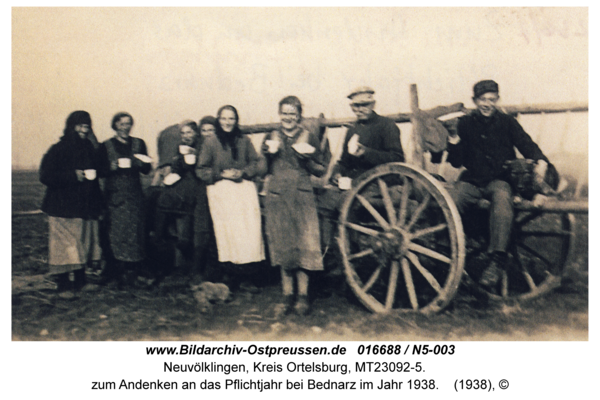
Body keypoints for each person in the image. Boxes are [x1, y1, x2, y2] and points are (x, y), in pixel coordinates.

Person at [446, 79, 553, 291]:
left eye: (492, 100)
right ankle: (454, 249)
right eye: (483, 100)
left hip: (499, 180)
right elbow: (457, 162)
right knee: (455, 198)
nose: (487, 104)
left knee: (503, 197)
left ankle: (497, 258)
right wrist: (453, 137)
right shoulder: (465, 124)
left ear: (498, 100)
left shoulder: (507, 122)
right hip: (472, 180)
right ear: (474, 101)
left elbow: (526, 144)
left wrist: (541, 161)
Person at [261, 96, 327, 315]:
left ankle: (303, 296)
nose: (288, 117)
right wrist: (268, 155)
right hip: (278, 194)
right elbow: (262, 169)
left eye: (292, 113)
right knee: (283, 243)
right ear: (279, 114)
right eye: (285, 113)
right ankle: (287, 295)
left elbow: (320, 169)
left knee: (305, 243)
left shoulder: (309, 136)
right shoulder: (270, 136)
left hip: (301, 194)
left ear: (299, 115)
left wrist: (307, 158)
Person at [39, 110, 104, 298]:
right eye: (80, 125)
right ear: (71, 126)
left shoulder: (89, 148)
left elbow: (98, 173)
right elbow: (45, 176)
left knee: (81, 244)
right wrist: (72, 176)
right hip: (61, 206)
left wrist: (98, 204)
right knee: (64, 246)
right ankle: (63, 286)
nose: (84, 129)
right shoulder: (57, 149)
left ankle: (81, 282)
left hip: (83, 206)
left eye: (87, 126)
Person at [196, 105, 266, 274]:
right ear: (218, 120)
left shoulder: (244, 140)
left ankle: (246, 275)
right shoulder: (211, 141)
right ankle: (229, 275)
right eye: (224, 118)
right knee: (227, 234)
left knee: (248, 232)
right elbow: (201, 169)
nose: (227, 122)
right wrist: (221, 175)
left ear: (236, 120)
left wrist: (242, 172)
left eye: (231, 119)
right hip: (221, 191)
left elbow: (255, 162)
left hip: (243, 190)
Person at [97, 112, 152, 287]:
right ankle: (115, 271)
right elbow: (99, 171)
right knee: (115, 233)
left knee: (135, 233)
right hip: (114, 196)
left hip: (134, 196)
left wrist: (140, 164)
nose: (125, 127)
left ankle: (133, 271)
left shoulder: (139, 143)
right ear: (115, 126)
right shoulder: (105, 146)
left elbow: (147, 169)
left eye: (128, 123)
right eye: (121, 124)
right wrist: (109, 167)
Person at [331, 86, 404, 185]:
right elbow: (345, 161)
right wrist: (338, 173)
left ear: (373, 104)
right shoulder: (352, 129)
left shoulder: (386, 125)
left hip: (380, 183)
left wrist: (366, 153)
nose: (360, 109)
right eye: (356, 106)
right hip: (356, 183)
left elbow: (397, 158)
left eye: (364, 105)